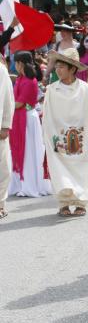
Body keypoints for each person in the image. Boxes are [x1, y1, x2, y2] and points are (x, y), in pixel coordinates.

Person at [43, 49, 88, 217]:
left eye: (62, 67)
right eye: (57, 66)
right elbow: (46, 116)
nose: (58, 70)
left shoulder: (85, 89)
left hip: (80, 136)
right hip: (57, 138)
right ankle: (64, 203)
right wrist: (46, 138)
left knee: (80, 168)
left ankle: (81, 203)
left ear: (72, 69)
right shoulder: (52, 90)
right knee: (59, 169)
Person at [8, 51, 51, 197]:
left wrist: (5, 106)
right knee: (20, 151)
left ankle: (29, 184)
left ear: (21, 64)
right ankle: (20, 183)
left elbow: (21, 103)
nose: (15, 66)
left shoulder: (29, 81)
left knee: (28, 152)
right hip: (21, 118)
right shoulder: (21, 78)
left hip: (27, 119)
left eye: (16, 63)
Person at [0, 56, 15, 219]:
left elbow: (7, 99)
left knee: (2, 169)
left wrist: (5, 125)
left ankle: (0, 204)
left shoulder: (1, 70)